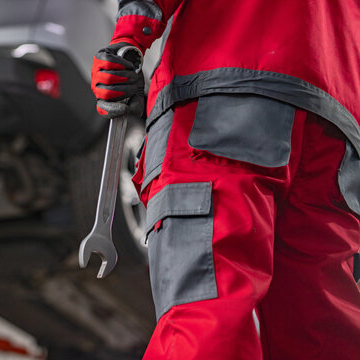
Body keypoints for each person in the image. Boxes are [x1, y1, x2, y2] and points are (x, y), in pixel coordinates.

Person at [91, 1, 360, 359]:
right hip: (337, 134)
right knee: (323, 336)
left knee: (208, 317)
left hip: (224, 100)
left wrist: (129, 37)